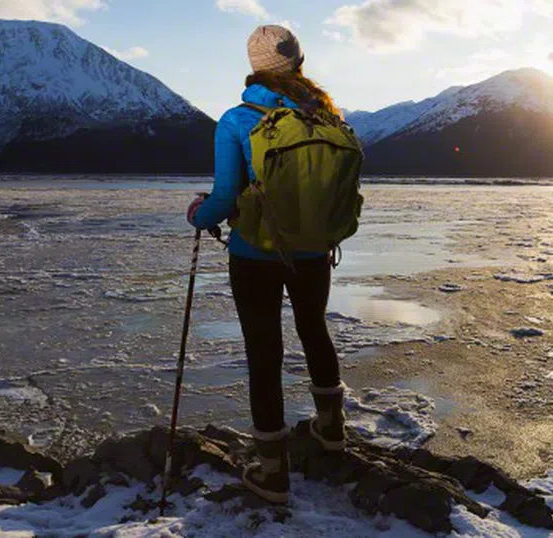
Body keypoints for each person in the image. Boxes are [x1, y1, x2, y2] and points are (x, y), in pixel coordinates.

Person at [186, 25, 347, 505]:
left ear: (255, 65)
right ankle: (332, 431)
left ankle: (273, 469)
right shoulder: (324, 115)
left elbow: (222, 197)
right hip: (314, 250)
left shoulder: (239, 119)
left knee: (264, 350)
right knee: (315, 328)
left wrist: (197, 214)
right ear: (299, 61)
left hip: (256, 253)